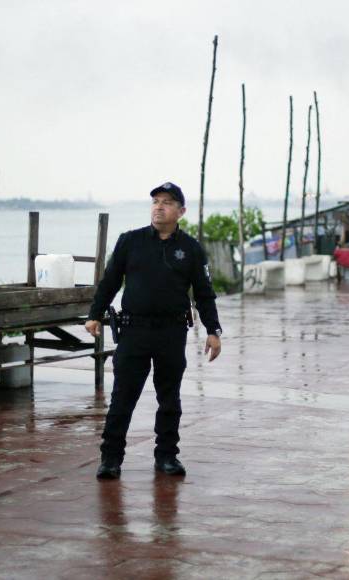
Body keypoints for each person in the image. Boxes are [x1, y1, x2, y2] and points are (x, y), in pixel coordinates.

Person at [85, 182, 222, 480]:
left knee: (169, 397)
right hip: (134, 331)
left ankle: (167, 456)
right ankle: (110, 459)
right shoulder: (129, 242)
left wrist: (214, 330)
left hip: (171, 333)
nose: (159, 206)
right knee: (123, 397)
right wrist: (94, 314)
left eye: (167, 202)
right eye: (156, 201)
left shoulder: (190, 249)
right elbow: (109, 282)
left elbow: (204, 292)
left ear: (181, 211)